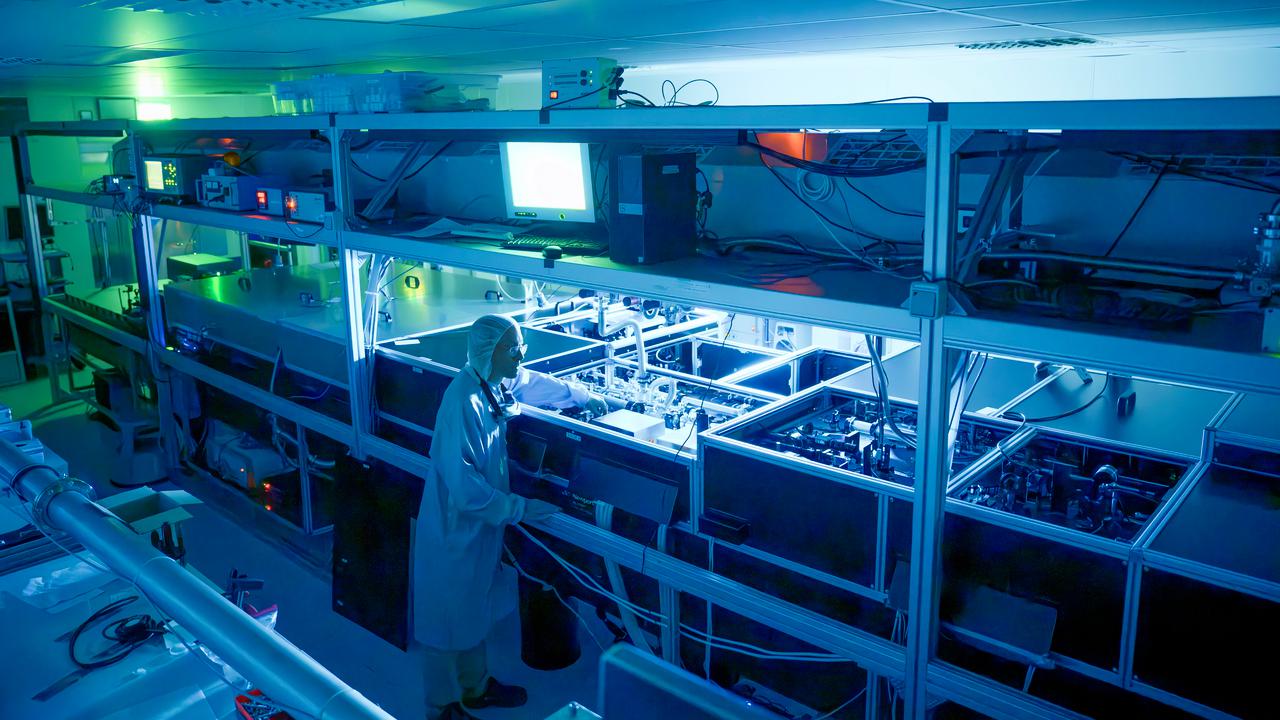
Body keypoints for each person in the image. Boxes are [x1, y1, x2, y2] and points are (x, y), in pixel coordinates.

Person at [413, 314, 607, 720]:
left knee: (472, 610)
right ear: (489, 352)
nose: (521, 355)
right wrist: (519, 508)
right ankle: (442, 707)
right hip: (455, 531)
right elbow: (465, 490)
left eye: (521, 347)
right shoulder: (461, 401)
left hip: (480, 529)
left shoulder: (493, 381)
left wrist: (582, 396)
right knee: (445, 620)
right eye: (513, 348)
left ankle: (476, 688)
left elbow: (534, 383)